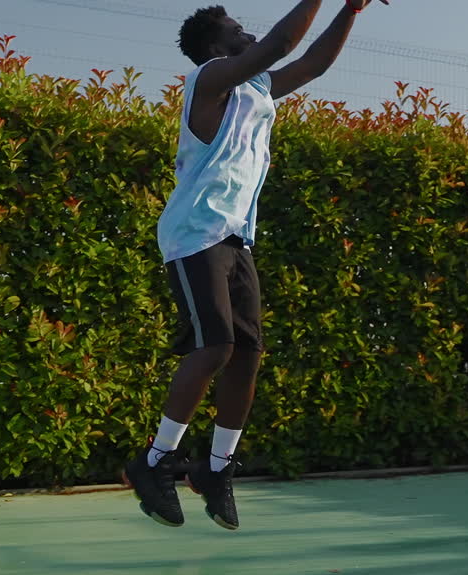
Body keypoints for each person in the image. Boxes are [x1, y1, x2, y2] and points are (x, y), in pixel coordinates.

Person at [122, 0, 391, 530]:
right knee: (215, 345)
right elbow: (279, 45)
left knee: (246, 354)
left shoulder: (257, 89)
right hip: (195, 233)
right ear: (215, 47)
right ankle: (153, 462)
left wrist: (350, 10)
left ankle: (215, 469)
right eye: (235, 28)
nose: (246, 32)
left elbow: (310, 63)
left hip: (235, 236)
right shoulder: (207, 81)